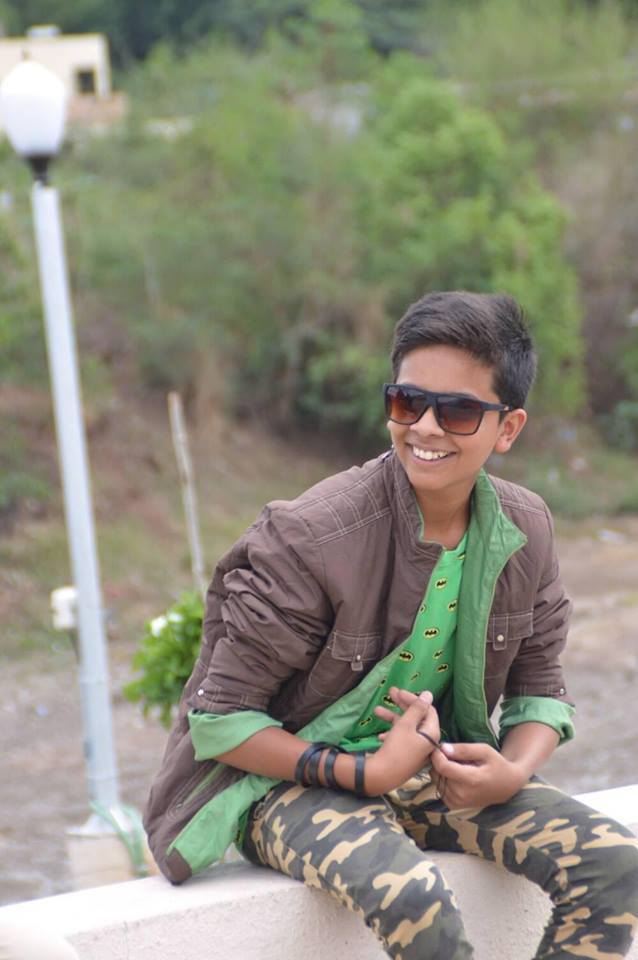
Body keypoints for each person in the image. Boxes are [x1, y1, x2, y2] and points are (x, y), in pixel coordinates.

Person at [144, 291, 638, 959]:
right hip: (287, 785)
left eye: (457, 411)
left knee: (615, 865)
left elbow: (540, 690)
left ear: (508, 428)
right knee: (413, 898)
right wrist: (367, 774)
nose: (426, 428)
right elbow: (220, 720)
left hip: (434, 771)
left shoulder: (525, 528)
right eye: (408, 403)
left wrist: (511, 771)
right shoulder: (312, 535)